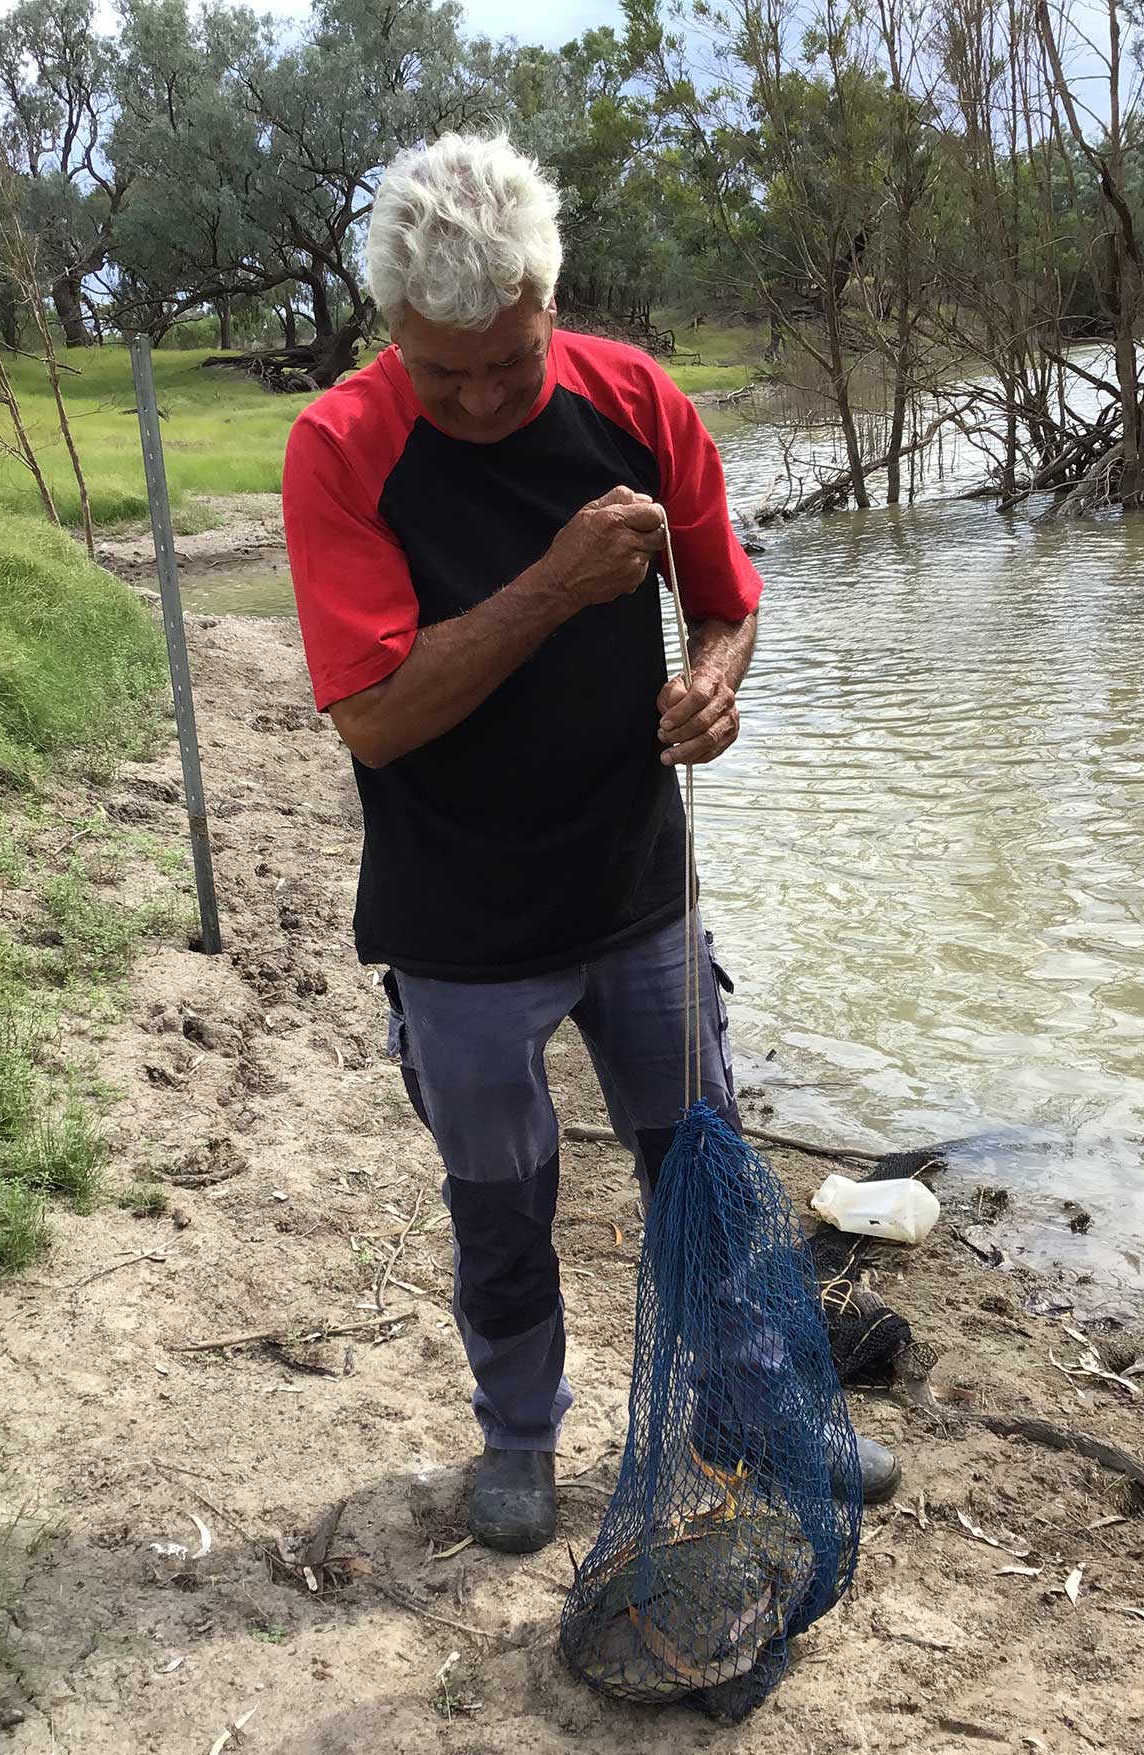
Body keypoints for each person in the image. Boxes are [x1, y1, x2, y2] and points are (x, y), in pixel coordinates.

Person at [283, 132, 900, 1554]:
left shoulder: (634, 400)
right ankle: (518, 1436)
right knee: (501, 1196)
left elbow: (726, 597)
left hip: (636, 883)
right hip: (457, 919)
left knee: (705, 1157)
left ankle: (754, 1404)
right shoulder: (342, 451)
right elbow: (373, 718)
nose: (491, 398)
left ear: (549, 301)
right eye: (451, 374)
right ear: (394, 334)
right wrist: (556, 586)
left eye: (515, 360)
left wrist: (716, 681)